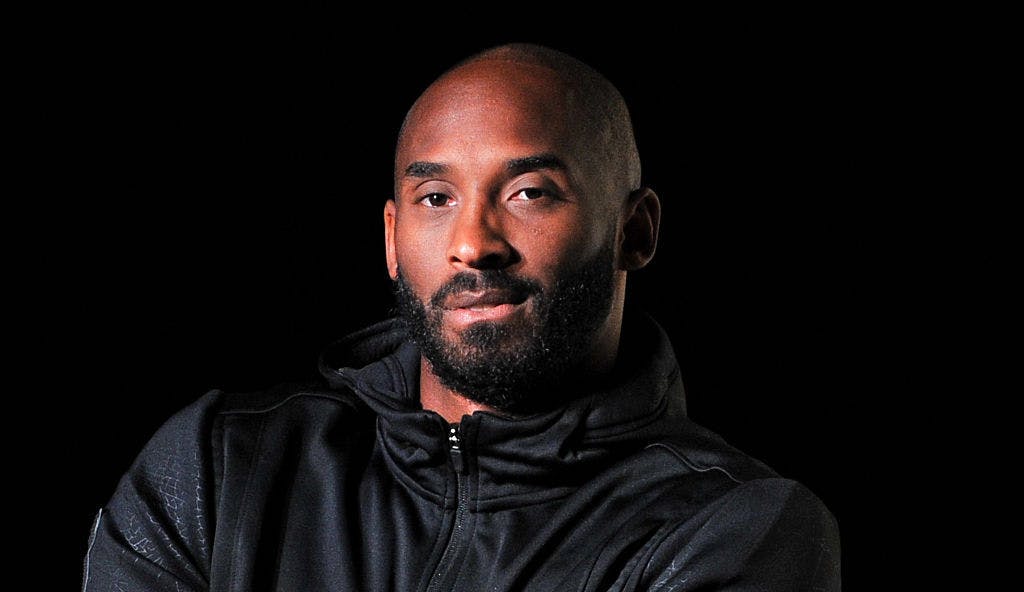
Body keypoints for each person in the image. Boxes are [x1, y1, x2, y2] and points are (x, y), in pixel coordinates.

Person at [82, 42, 841, 591]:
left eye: (529, 192)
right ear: (391, 239)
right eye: (436, 198)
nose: (474, 244)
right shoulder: (223, 469)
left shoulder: (731, 528)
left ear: (634, 231)